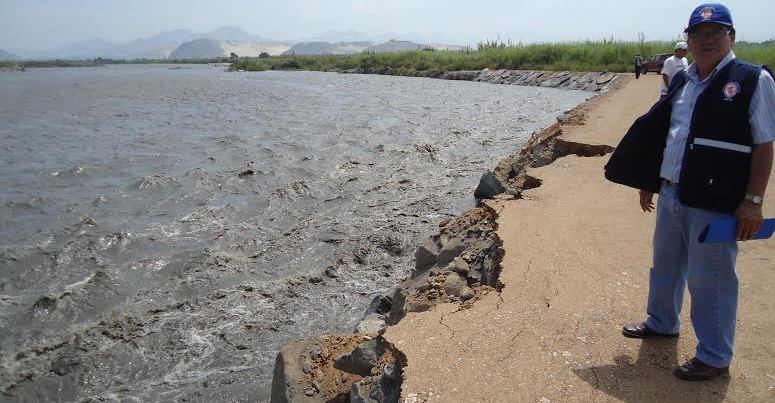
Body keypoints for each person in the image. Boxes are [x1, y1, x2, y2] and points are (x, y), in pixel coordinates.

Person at [604, 3, 775, 381]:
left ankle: (714, 355)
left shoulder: (751, 80)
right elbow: (669, 134)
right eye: (697, 34)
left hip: (715, 202)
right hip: (672, 192)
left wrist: (754, 201)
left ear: (731, 37)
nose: (705, 40)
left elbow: (764, 144)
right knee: (664, 266)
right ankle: (662, 321)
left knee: (710, 279)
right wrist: (651, 180)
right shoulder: (683, 79)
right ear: (688, 41)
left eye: (715, 33)